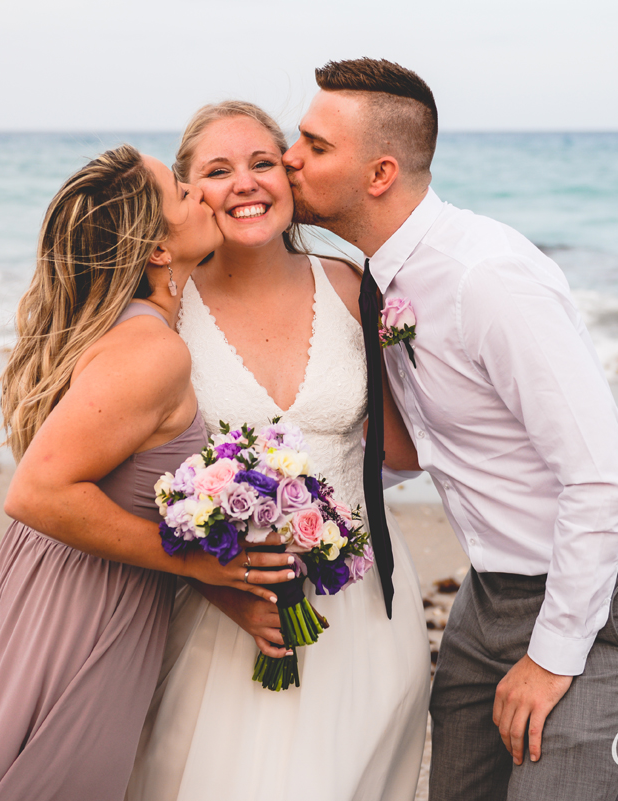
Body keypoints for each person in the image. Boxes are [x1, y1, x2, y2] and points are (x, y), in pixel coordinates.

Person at [282, 59, 618, 800]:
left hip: (602, 594)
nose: (288, 157)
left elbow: (599, 480)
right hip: (490, 594)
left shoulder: (486, 277)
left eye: (313, 144)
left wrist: (554, 657)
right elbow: (418, 448)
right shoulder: (375, 276)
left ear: (379, 173)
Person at [0, 145, 295, 801]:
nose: (203, 195)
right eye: (184, 193)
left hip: (58, 589)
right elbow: (36, 491)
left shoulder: (129, 328)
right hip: (81, 610)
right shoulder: (150, 349)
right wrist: (193, 564)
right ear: (158, 249)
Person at [125, 102, 431, 801]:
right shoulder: (168, 310)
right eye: (218, 170)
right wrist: (213, 573)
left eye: (263, 162)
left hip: (363, 605)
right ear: (187, 192)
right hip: (224, 607)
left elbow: (404, 449)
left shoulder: (355, 289)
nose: (245, 183)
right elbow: (132, 469)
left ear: (290, 177)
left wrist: (423, 351)